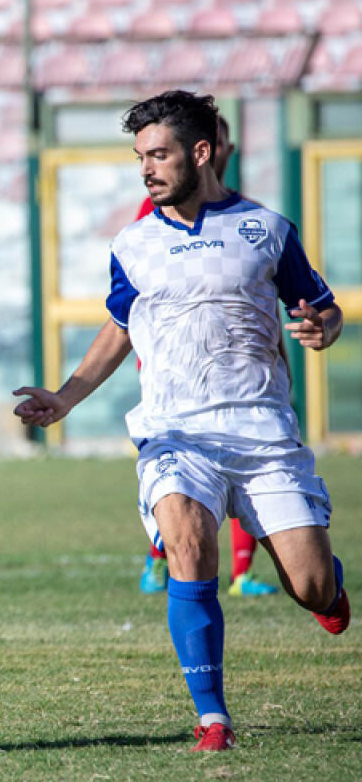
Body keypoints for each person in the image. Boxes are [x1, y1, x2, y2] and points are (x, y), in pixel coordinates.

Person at [13, 91, 349, 752]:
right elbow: (120, 328)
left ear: (202, 152)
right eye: (140, 156)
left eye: (159, 154)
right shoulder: (133, 244)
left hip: (262, 433)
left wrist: (321, 326)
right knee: (189, 544)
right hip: (174, 431)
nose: (146, 168)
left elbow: (323, 305)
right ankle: (212, 717)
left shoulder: (266, 230)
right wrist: (66, 397)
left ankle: (328, 595)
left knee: (310, 585)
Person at [135, 115, 278, 599]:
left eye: (219, 143)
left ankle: (242, 572)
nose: (215, 151)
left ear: (223, 150)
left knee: (248, 459)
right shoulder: (153, 217)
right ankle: (162, 558)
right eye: (146, 157)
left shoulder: (253, 221)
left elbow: (262, 300)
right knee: (179, 476)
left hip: (242, 376)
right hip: (176, 376)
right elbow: (135, 300)